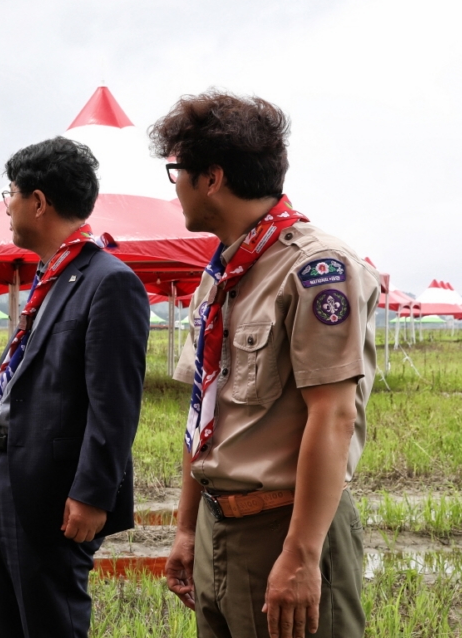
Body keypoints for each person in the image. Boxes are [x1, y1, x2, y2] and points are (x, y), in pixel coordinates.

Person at [153, 91, 379, 638]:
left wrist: (301, 554)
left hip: (285, 526)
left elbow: (334, 416)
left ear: (212, 178)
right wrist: (186, 529)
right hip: (217, 523)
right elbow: (202, 412)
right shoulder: (222, 274)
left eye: (176, 170)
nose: (174, 185)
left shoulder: (317, 269)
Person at [0, 137, 150, 638]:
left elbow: (114, 402)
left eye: (9, 193)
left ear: (38, 201)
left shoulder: (107, 280)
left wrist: (93, 493)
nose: (5, 206)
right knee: (13, 619)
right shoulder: (53, 276)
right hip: (9, 470)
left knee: (52, 621)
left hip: (57, 490)